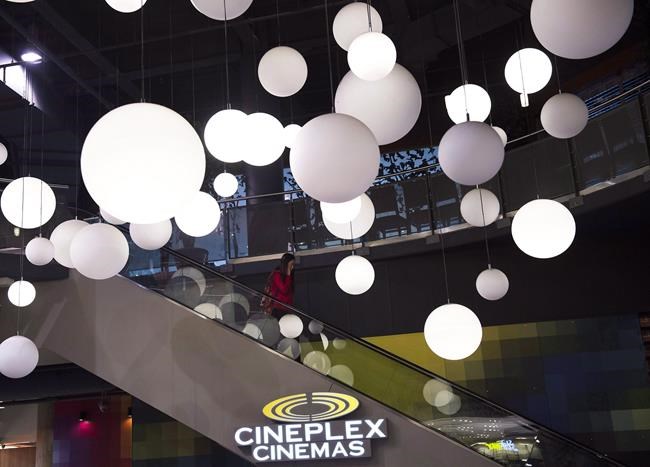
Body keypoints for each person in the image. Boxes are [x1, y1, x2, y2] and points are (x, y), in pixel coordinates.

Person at [262, 253, 295, 318]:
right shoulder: (277, 274)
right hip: (278, 308)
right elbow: (284, 290)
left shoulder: (287, 277)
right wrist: (288, 273)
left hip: (286, 308)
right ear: (286, 264)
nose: (292, 267)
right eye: (291, 264)